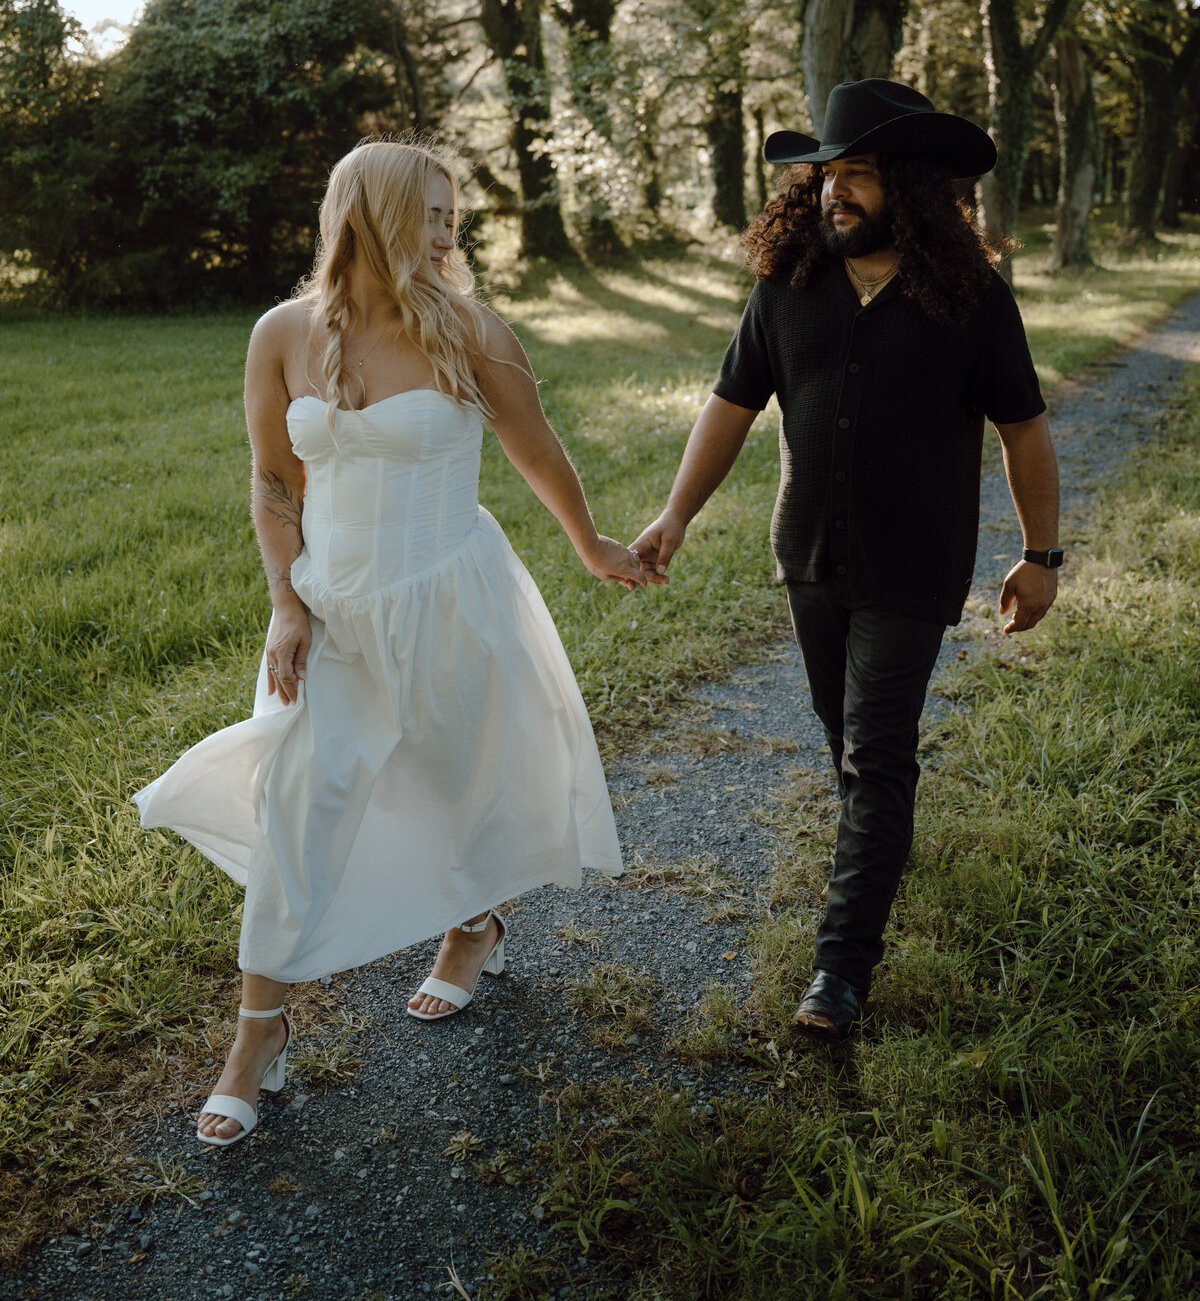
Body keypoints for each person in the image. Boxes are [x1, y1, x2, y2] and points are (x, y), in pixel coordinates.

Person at [137, 139, 644, 1145]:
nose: (452, 232)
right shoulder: (282, 334)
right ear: (367, 212)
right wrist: (288, 604)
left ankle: (475, 925)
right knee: (298, 804)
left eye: (456, 217)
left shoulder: (470, 331)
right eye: (434, 213)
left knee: (463, 779)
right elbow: (276, 482)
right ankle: (258, 1039)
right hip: (332, 615)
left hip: (449, 595)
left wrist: (592, 546)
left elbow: (535, 447)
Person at [632, 79, 1061, 1042]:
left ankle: (839, 970)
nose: (833, 192)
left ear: (905, 187)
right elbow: (729, 407)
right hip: (810, 557)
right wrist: (675, 517)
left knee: (876, 751)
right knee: (847, 743)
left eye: (856, 174)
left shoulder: (970, 297)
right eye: (825, 174)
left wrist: (1042, 555)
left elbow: (1024, 429)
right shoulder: (790, 286)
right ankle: (878, 836)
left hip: (916, 563)